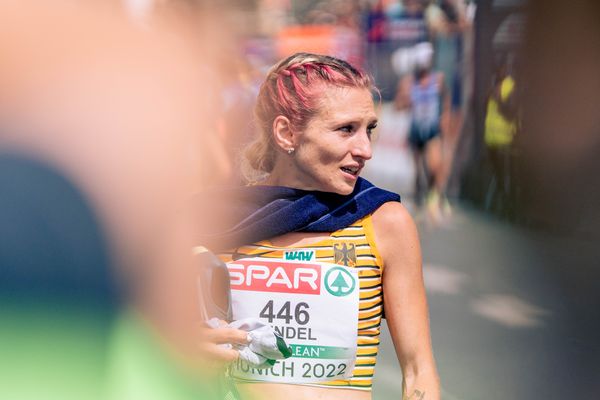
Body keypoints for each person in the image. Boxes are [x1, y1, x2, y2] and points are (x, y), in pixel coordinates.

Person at [199, 53, 440, 400]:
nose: (365, 149)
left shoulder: (384, 222)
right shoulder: (217, 221)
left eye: (368, 129)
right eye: (346, 129)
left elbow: (419, 371)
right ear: (285, 133)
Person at [395, 42, 448, 220]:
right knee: (418, 169)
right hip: (416, 129)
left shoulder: (438, 78)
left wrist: (445, 118)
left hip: (432, 128)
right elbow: (398, 106)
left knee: (434, 165)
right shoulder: (408, 82)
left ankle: (433, 195)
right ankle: (419, 199)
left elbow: (446, 100)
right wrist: (405, 100)